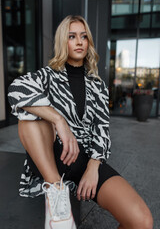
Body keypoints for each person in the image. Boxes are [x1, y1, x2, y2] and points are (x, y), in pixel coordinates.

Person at [8, 15, 153, 229]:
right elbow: (16, 89)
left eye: (84, 37)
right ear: (62, 42)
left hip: (84, 158)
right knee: (29, 118)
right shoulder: (48, 76)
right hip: (52, 153)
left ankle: (74, 180)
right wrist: (59, 121)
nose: (79, 42)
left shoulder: (98, 86)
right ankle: (56, 193)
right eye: (72, 36)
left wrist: (93, 166)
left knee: (141, 221)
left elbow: (102, 130)